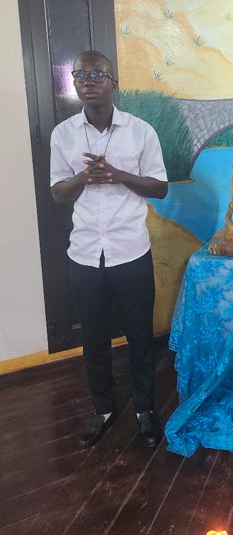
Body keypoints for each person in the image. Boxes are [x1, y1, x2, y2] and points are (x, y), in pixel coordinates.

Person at [50, 50, 168, 448]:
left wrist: (117, 174)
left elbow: (160, 187)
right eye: (80, 75)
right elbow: (58, 194)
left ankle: (145, 410)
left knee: (140, 337)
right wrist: (85, 176)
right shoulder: (63, 134)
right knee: (94, 339)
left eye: (97, 74)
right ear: (74, 84)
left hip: (130, 251)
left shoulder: (141, 132)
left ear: (113, 82)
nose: (88, 81)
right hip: (84, 254)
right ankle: (102, 408)